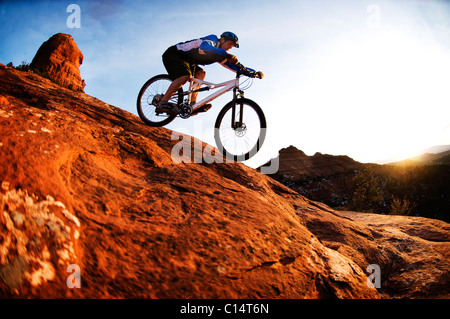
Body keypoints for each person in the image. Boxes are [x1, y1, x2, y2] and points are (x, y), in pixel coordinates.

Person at [156, 31, 262, 115]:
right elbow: (205, 47)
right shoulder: (213, 39)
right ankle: (162, 103)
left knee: (201, 73)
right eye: (229, 44)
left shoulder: (218, 54)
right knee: (186, 76)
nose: (230, 47)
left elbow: (234, 66)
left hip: (187, 61)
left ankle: (193, 105)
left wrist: (252, 72)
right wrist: (226, 54)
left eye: (232, 46)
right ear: (223, 39)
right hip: (174, 54)